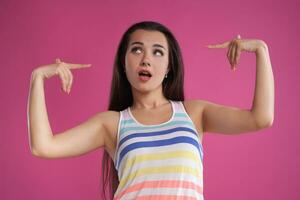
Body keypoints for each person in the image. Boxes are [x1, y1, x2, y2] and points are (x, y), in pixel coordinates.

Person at [27, 21, 274, 200]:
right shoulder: (111, 124)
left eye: (157, 52)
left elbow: (260, 118)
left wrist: (261, 50)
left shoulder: (194, 114)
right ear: (124, 64)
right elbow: (43, 146)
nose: (146, 59)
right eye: (136, 50)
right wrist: (37, 78)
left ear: (168, 66)